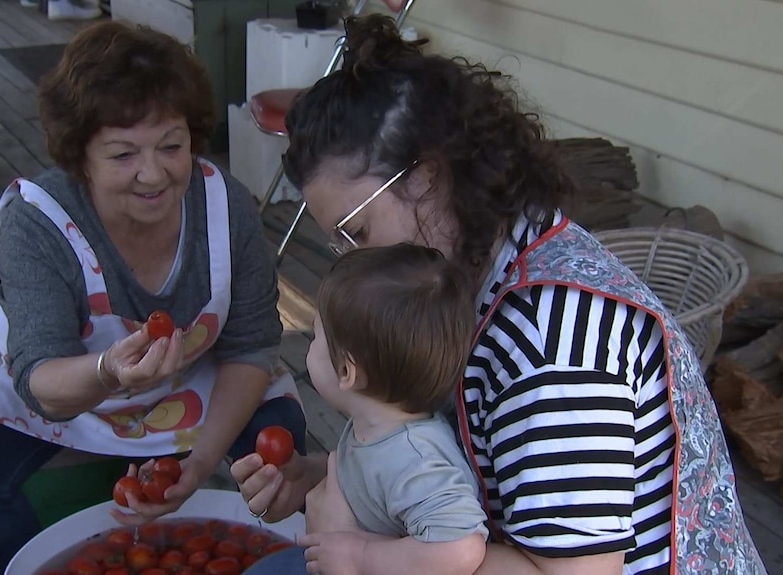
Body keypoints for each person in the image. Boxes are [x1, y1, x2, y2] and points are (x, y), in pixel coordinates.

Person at [232, 13, 766, 575]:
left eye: (357, 231)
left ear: (428, 175)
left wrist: (363, 548)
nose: (352, 260)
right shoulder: (488, 257)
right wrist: (336, 481)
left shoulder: (548, 344)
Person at [0, 21, 306, 575]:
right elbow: (38, 378)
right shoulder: (39, 222)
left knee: (281, 452)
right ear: (79, 156)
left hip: (191, 373)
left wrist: (196, 469)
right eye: (123, 154)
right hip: (58, 382)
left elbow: (249, 347)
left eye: (171, 146)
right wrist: (106, 372)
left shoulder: (228, 208)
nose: (153, 173)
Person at [285, 244, 489, 575]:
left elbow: (461, 547)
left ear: (347, 372)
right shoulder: (379, 429)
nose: (311, 345)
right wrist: (312, 472)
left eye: (316, 336)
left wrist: (361, 556)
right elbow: (373, 489)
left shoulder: (414, 459)